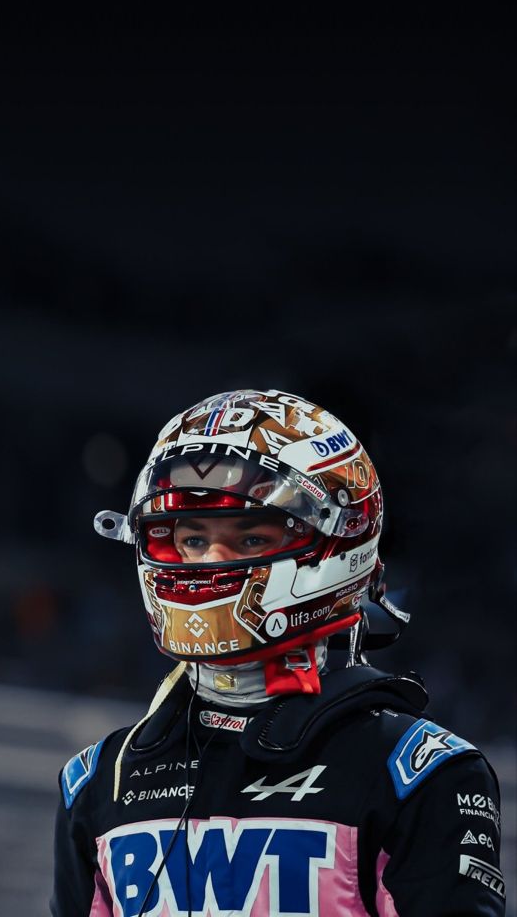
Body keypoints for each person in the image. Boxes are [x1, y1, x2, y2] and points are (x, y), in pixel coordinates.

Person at [50, 388, 506, 915]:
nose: (207, 562)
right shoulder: (96, 779)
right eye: (192, 541)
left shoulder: (420, 772)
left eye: (248, 540)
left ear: (339, 541)